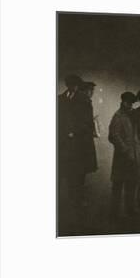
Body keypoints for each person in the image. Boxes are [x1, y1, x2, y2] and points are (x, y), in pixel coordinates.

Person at [57, 74, 97, 207]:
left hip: (79, 143)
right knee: (64, 171)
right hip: (63, 142)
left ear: (77, 86)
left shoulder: (84, 99)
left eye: (74, 85)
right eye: (70, 84)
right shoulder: (60, 99)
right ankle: (65, 200)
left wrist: (74, 132)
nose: (72, 87)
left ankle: (77, 199)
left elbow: (87, 121)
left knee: (79, 173)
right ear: (67, 85)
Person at [108, 92, 140, 219]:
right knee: (118, 185)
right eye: (129, 103)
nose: (131, 106)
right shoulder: (118, 116)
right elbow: (113, 136)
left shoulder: (132, 115)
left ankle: (130, 209)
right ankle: (114, 213)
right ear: (123, 102)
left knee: (132, 184)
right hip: (122, 158)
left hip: (133, 156)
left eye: (132, 103)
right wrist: (125, 149)